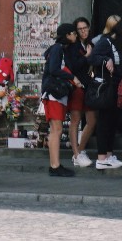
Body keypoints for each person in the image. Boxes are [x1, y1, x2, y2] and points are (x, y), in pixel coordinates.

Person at [85, 15, 122, 170]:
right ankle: (102, 157)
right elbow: (92, 59)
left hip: (116, 87)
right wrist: (105, 60)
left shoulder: (118, 44)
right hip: (107, 87)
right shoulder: (105, 42)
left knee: (112, 121)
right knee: (104, 121)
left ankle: (109, 154)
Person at [42, 22, 79, 177]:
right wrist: (72, 77)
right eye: (73, 33)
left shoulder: (59, 49)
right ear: (67, 35)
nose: (75, 35)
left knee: (55, 129)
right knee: (56, 130)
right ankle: (55, 165)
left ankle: (54, 164)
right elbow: (54, 69)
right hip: (53, 94)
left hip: (55, 94)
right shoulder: (58, 49)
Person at [69, 16, 96, 165]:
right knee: (76, 120)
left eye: (85, 28)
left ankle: (80, 150)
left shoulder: (90, 44)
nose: (83, 31)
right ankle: (76, 153)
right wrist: (87, 56)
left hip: (88, 86)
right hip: (76, 86)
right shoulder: (73, 46)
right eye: (80, 29)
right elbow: (74, 66)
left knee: (92, 120)